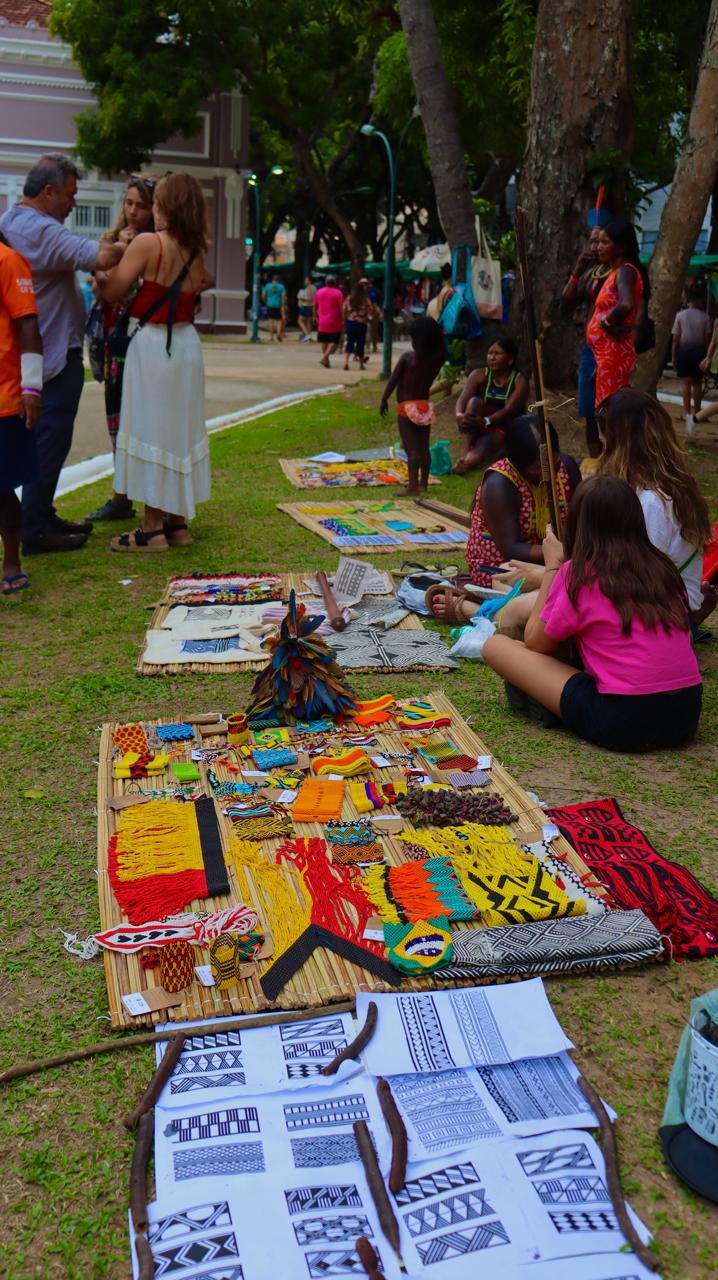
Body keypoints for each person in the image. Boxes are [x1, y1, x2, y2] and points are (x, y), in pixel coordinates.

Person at [481, 476, 703, 752]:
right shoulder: (664, 569)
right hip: (685, 712)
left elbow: (536, 643)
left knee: (497, 646)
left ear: (577, 525)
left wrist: (552, 567)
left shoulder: (578, 573)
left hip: (623, 718)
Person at [0, 153, 123, 553]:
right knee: (48, 442)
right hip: (51, 357)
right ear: (48, 191)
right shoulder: (42, 230)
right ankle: (35, 527)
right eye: (69, 195)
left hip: (36, 356)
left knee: (43, 444)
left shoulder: (13, 222)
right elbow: (101, 258)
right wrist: (136, 242)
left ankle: (40, 513)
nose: (73, 203)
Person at [96, 172, 213, 550]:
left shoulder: (149, 243)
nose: (154, 208)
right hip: (185, 344)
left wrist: (100, 275)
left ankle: (150, 528)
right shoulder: (196, 249)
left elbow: (113, 291)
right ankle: (177, 522)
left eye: (158, 201)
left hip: (152, 344)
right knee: (178, 427)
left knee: (149, 426)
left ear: (169, 206)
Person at [597, 388, 713, 623]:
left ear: (618, 445)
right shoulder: (656, 489)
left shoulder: (652, 502)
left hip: (659, 617)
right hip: (655, 605)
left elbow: (640, 581)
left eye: (604, 443)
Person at [86, 175, 156, 523]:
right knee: (116, 419)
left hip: (138, 340)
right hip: (111, 339)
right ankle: (121, 495)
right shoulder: (111, 240)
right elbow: (101, 290)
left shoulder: (154, 244)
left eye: (141, 205)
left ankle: (135, 496)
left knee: (137, 420)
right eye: (129, 203)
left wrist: (108, 274)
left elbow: (131, 293)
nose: (133, 211)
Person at [464, 416, 579, 589]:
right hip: (505, 566)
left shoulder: (567, 467)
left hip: (559, 561)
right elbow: (511, 548)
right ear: (517, 464)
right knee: (551, 591)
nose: (547, 475)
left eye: (553, 464)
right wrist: (565, 553)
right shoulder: (499, 484)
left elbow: (582, 521)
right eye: (538, 469)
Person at [0, 231, 43, 594]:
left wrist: (32, 389)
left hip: (5, 398)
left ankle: (11, 562)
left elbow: (28, 325)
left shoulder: (8, 261)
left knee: (1, 487)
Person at [586, 216, 648, 408]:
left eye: (605, 242)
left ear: (620, 247)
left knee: (610, 411)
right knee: (605, 409)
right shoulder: (615, 272)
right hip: (605, 355)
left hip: (613, 355)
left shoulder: (626, 271)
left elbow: (626, 304)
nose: (599, 247)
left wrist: (606, 321)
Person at [379, 316, 446, 495]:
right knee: (424, 447)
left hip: (407, 408)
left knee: (411, 448)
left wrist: (384, 399)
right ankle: (423, 483)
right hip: (425, 406)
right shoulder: (437, 358)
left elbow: (393, 381)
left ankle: (412, 486)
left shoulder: (408, 358)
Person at [561, 224, 610, 456]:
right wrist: (578, 269)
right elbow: (566, 302)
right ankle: (596, 459)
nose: (595, 247)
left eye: (600, 241)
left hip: (611, 351)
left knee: (609, 409)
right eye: (592, 241)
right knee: (590, 409)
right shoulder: (592, 273)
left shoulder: (624, 273)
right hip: (590, 349)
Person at [452, 337, 530, 474]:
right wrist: (459, 414)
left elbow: (509, 411)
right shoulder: (479, 375)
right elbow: (463, 398)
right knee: (474, 402)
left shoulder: (519, 381)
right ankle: (464, 455)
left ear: (510, 360)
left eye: (497, 354)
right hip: (478, 425)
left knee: (488, 442)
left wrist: (486, 421)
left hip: (504, 429)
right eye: (490, 353)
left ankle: (467, 462)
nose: (492, 358)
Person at [672, 289, 711, 423]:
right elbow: (707, 339)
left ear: (688, 301)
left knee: (685, 384)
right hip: (699, 353)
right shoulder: (705, 317)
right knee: (698, 384)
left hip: (684, 352)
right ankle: (699, 413)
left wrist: (674, 356)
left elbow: (675, 339)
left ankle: (686, 413)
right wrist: (707, 356)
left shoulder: (680, 316)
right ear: (699, 301)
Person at [314, 274, 344, 368]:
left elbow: (315, 306)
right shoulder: (338, 293)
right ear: (334, 283)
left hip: (322, 321)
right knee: (334, 341)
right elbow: (341, 308)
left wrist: (315, 316)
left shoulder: (319, 292)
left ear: (326, 282)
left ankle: (326, 360)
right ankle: (324, 357)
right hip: (335, 321)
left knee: (324, 341)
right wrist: (343, 319)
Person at [343, 280, 370, 371]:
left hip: (350, 322)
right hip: (361, 323)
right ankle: (361, 365)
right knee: (360, 344)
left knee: (349, 342)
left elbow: (344, 309)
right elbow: (370, 309)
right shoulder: (365, 300)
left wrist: (345, 319)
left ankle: (346, 362)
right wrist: (365, 317)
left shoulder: (349, 298)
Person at [262, 273, 285, 341]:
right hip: (278, 305)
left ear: (272, 280)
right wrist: (283, 305)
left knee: (270, 321)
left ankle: (271, 337)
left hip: (270, 305)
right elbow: (283, 297)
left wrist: (266, 302)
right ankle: (278, 334)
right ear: (278, 280)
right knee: (279, 321)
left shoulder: (267, 286)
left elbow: (263, 295)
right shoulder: (281, 286)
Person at [297, 275, 315, 341]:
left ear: (309, 281)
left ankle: (307, 335)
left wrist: (301, 298)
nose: (305, 281)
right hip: (311, 306)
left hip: (306, 306)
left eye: (306, 280)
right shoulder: (314, 287)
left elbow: (310, 298)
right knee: (308, 322)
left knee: (300, 321)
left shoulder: (309, 287)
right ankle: (308, 337)